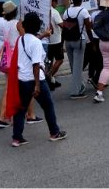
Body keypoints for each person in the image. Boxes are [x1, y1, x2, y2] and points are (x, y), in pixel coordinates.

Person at [9, 12, 68, 147]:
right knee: (48, 106)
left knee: (21, 109)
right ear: (37, 26)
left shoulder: (21, 39)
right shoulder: (36, 42)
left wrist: (43, 35)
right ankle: (54, 132)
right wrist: (37, 85)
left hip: (22, 79)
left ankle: (17, 138)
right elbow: (36, 65)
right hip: (36, 80)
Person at [0, 2, 40, 128]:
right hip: (17, 57)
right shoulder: (17, 24)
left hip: (7, 57)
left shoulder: (4, 24)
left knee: (9, 87)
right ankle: (28, 115)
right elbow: (24, 37)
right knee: (27, 85)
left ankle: (3, 117)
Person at [62, 0, 94, 99]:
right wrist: (92, 40)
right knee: (77, 67)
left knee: (73, 66)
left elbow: (64, 27)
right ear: (81, 0)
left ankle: (80, 85)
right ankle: (76, 92)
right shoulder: (83, 11)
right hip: (79, 40)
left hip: (68, 41)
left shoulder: (66, 11)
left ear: (72, 0)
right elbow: (88, 28)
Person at [45, 0, 65, 89]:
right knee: (59, 60)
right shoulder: (54, 12)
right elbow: (61, 25)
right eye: (55, 1)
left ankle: (51, 81)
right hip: (56, 41)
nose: (56, 3)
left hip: (46, 41)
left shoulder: (44, 11)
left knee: (49, 62)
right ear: (52, 2)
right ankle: (49, 76)